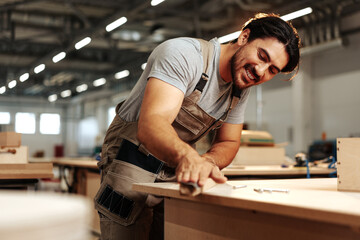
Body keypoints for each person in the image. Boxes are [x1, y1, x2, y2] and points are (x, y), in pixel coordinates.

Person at [94, 13, 301, 240]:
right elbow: (152, 124)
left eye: (272, 70)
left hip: (175, 170)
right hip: (130, 158)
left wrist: (206, 161)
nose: (261, 71)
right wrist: (188, 157)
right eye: (262, 56)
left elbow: (229, 142)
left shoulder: (240, 87)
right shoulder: (184, 54)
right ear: (244, 37)